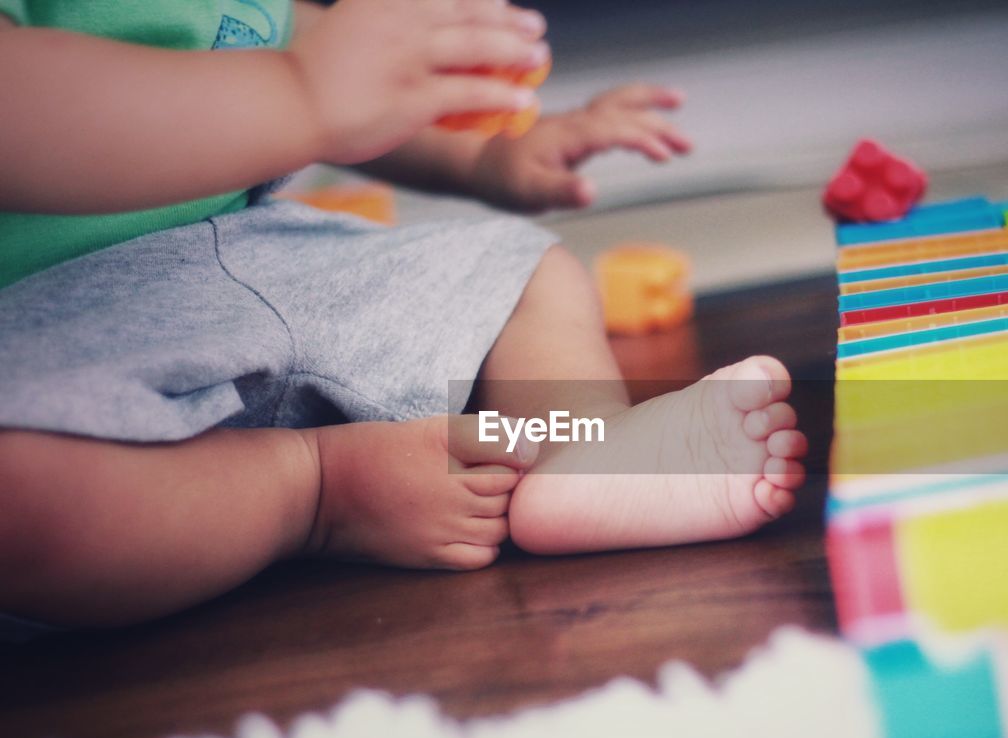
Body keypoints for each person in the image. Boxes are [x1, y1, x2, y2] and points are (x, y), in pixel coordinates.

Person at [0, 0, 807, 631]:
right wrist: (303, 94)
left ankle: (582, 444)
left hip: (258, 253)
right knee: (26, 498)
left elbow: (309, 44)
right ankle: (317, 490)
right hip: (47, 327)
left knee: (524, 269)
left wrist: (486, 153)